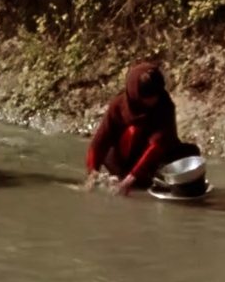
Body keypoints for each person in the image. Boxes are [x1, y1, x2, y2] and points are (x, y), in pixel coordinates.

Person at [86, 63, 201, 196]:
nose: (153, 101)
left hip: (154, 160)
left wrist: (131, 178)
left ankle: (145, 179)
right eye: (147, 98)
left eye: (155, 96)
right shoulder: (119, 106)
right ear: (136, 95)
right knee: (107, 154)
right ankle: (128, 177)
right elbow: (100, 141)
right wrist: (92, 172)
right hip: (122, 160)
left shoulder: (165, 106)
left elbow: (157, 145)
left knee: (190, 154)